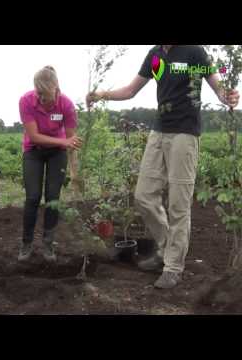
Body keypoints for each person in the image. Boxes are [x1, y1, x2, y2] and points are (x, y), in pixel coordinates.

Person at [87, 45, 240, 289]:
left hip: (184, 134)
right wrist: (100, 94)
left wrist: (227, 95)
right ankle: (167, 247)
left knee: (178, 204)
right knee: (143, 196)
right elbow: (130, 90)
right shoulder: (155, 55)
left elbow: (217, 82)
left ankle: (172, 267)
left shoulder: (194, 52)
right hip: (159, 131)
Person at [18, 65, 82, 262]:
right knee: (33, 197)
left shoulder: (67, 105)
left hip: (57, 154)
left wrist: (75, 173)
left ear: (57, 88)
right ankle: (26, 244)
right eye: (40, 94)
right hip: (33, 152)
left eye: (47, 94)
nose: (43, 99)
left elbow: (71, 142)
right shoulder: (26, 101)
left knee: (53, 198)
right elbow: (35, 137)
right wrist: (63, 141)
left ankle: (48, 245)